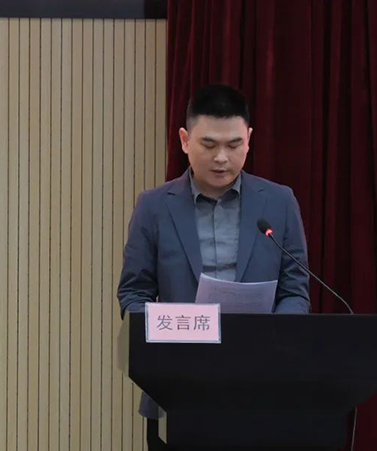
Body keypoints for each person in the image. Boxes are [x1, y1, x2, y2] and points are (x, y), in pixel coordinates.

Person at [117, 83, 310, 451]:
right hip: (177, 387)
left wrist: (273, 340)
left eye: (234, 145)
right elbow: (133, 293)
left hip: (262, 385)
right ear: (185, 140)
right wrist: (165, 340)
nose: (222, 157)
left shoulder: (279, 202)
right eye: (209, 145)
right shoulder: (154, 207)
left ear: (249, 139)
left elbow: (295, 291)